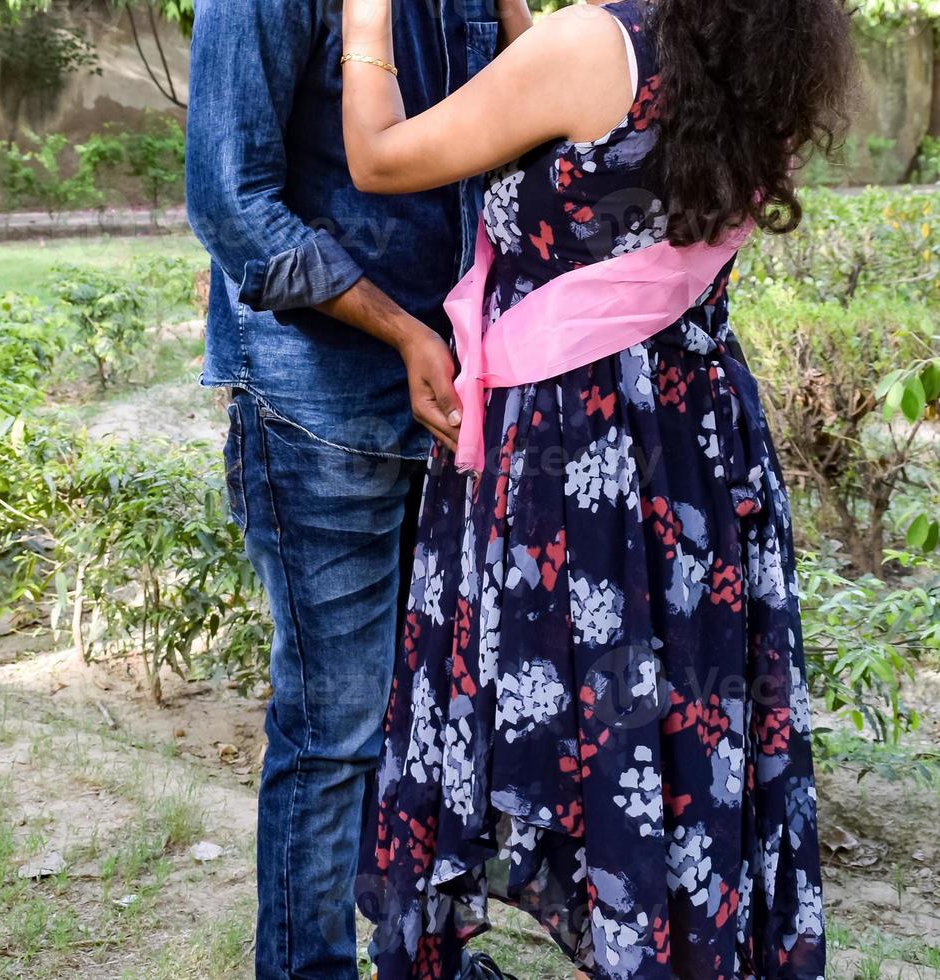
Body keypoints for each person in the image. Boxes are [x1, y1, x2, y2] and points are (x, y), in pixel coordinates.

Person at [340, 0, 854, 976]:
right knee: (662, 751)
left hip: (574, 469)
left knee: (565, 732)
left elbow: (378, 157)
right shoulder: (754, 59)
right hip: (693, 452)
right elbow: (582, 112)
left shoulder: (592, 48)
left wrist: (367, 21)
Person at [184, 1, 532, 977]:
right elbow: (230, 204)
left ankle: (426, 954)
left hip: (456, 391)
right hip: (317, 402)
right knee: (334, 730)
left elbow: (526, 119)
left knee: (436, 713)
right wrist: (405, 332)